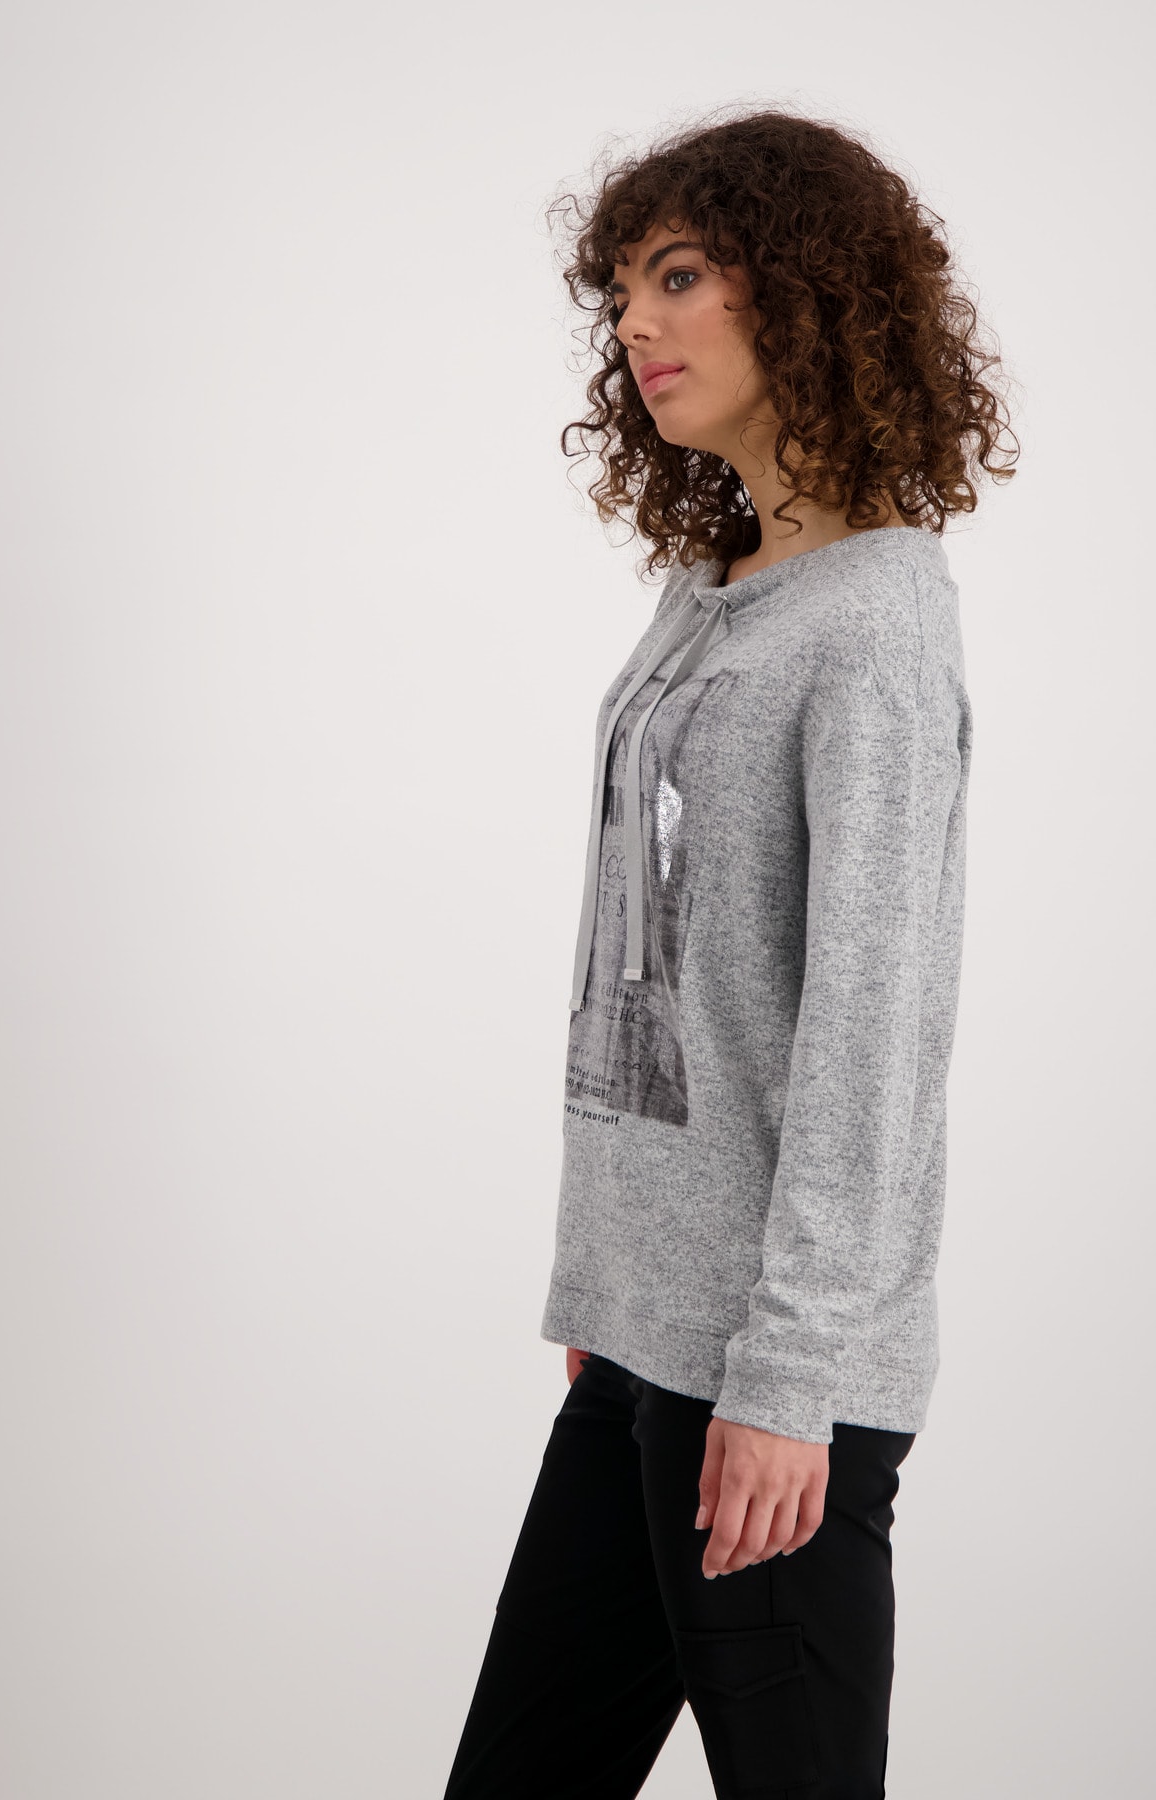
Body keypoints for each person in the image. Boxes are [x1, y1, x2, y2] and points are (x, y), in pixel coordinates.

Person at [443, 107, 1017, 1800]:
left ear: (811, 294)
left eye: (680, 276)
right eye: (623, 288)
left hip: (771, 1376)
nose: (635, 321)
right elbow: (662, 960)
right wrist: (608, 1278)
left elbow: (871, 1025)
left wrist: (792, 1375)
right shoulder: (720, 582)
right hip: (645, 1340)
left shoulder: (875, 622)